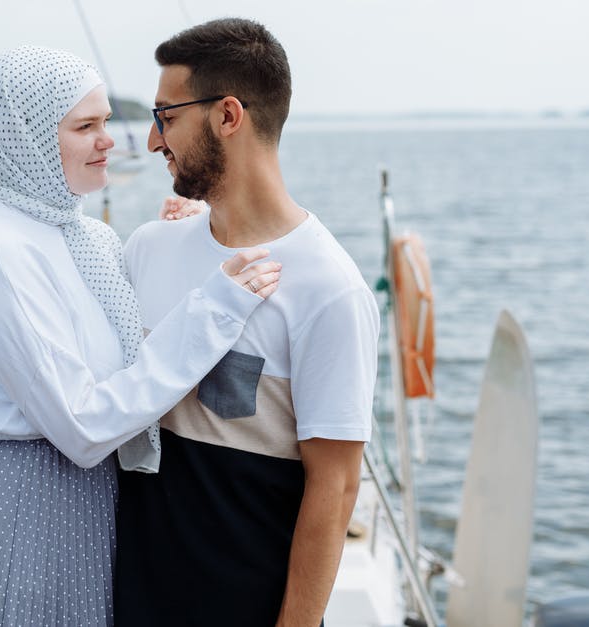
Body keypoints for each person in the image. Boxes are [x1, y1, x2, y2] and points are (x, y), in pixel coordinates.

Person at [0, 45, 281, 626]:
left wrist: (183, 248)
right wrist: (216, 307)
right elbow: (84, 425)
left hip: (75, 517)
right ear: (27, 139)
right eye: (84, 126)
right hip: (9, 523)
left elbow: (135, 349)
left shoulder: (84, 238)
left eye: (106, 122)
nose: (109, 140)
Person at [114, 19, 381, 627]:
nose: (155, 142)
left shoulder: (329, 290)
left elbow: (335, 489)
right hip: (122, 598)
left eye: (166, 117)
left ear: (228, 116)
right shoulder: (148, 249)